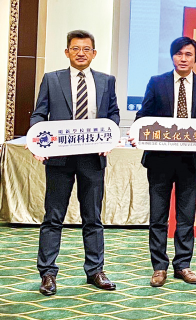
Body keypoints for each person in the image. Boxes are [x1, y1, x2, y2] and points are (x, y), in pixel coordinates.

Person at [30, 30, 120, 296]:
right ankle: (48, 273)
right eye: (75, 48)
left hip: (92, 158)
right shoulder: (52, 79)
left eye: (86, 49)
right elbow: (39, 115)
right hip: (59, 159)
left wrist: (110, 136)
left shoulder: (106, 81)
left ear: (94, 53)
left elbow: (113, 114)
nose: (81, 53)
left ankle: (95, 271)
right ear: (67, 52)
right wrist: (37, 142)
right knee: (53, 217)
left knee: (93, 217)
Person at [135, 36, 196, 287]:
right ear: (172, 57)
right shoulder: (157, 82)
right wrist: (137, 131)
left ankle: (183, 265)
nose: (183, 58)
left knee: (186, 217)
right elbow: (144, 115)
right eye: (179, 54)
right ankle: (159, 267)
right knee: (158, 217)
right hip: (160, 160)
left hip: (190, 161)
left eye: (188, 54)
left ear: (195, 58)